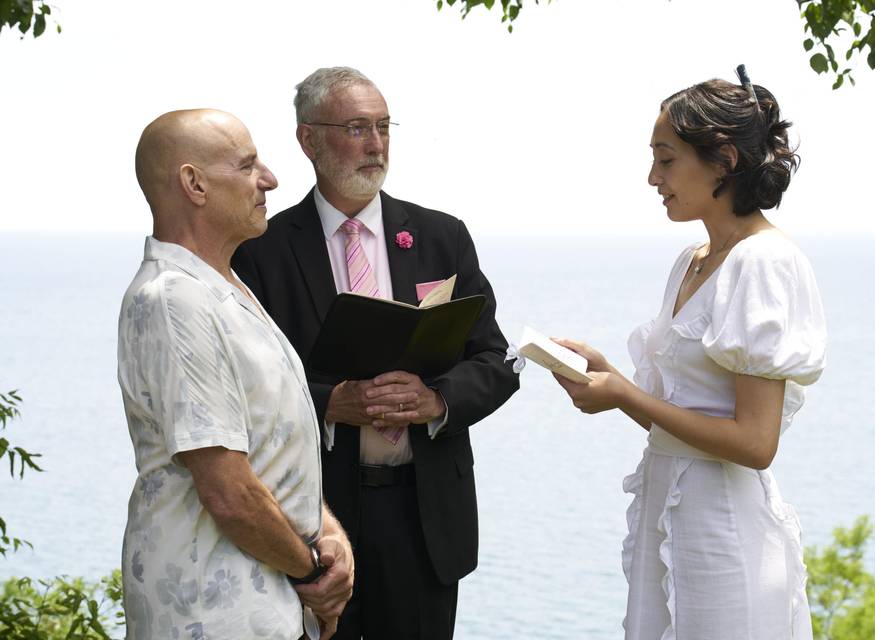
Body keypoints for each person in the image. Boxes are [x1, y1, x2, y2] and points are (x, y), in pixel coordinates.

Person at [231, 67, 519, 639]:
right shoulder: (262, 250)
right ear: (307, 139)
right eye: (358, 127)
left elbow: (495, 361)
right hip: (315, 516)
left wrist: (436, 400)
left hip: (425, 517)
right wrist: (331, 403)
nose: (376, 143)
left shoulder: (442, 236)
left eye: (384, 126)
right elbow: (244, 382)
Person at [551, 69, 826, 639]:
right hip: (668, 521)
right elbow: (677, 416)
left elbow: (755, 443)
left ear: (722, 159)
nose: (652, 177)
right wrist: (611, 382)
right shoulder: (692, 260)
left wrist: (625, 394)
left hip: (724, 536)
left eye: (666, 159)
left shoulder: (763, 262)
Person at [118, 109, 354, 640]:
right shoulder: (174, 301)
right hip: (213, 615)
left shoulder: (219, 287)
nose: (269, 178)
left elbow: (274, 446)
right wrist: (314, 570)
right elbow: (227, 491)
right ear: (194, 184)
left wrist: (331, 536)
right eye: (248, 166)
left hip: (260, 607)